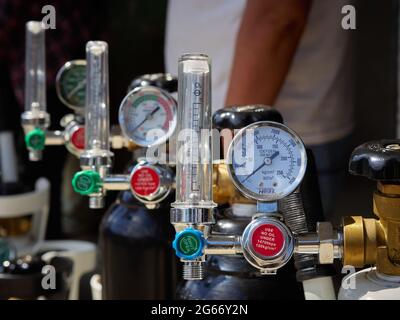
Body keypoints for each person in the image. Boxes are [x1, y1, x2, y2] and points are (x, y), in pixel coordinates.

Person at [165, 0, 355, 221]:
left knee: (253, 251)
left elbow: (277, 13)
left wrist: (231, 153)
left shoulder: (233, 151)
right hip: (224, 142)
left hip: (265, 150)